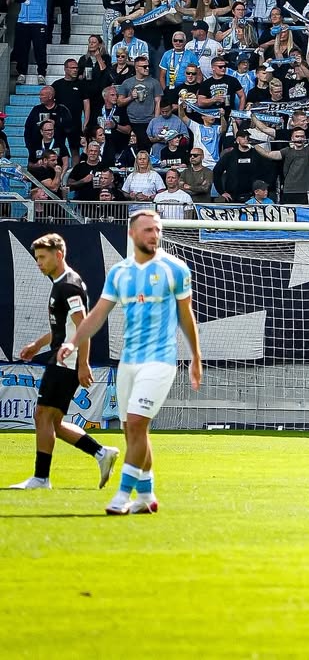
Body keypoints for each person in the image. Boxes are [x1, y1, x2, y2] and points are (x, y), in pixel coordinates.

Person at [58, 208, 202, 515]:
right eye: (148, 230)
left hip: (160, 361)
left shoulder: (175, 269)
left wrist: (195, 356)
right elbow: (97, 314)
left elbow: (185, 315)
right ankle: (147, 496)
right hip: (129, 362)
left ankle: (122, 495)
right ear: (132, 234)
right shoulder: (120, 273)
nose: (154, 235)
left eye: (157, 229)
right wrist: (72, 342)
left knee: (137, 423)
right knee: (132, 431)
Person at [7, 232, 119, 491]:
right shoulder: (61, 282)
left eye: (43, 257)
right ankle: (101, 453)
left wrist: (83, 364)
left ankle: (41, 478)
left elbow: (84, 326)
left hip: (65, 363)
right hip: (62, 359)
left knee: (42, 416)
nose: (39, 263)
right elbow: (65, 327)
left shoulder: (68, 285)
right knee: (52, 421)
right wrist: (38, 344)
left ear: (59, 255)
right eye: (36, 258)